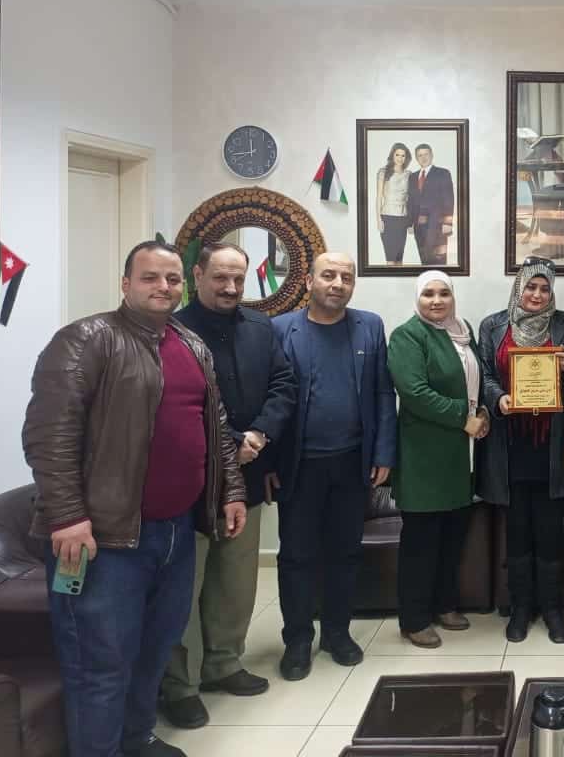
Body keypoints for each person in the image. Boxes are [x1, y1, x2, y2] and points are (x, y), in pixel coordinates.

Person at [22, 239, 247, 757]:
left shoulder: (190, 344)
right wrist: (67, 515)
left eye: (172, 279)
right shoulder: (86, 340)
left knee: (155, 650)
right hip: (103, 541)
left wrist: (231, 489)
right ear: (126, 283)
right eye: (150, 277)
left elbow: (214, 425)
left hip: (175, 532)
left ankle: (137, 738)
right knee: (99, 664)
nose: (162, 287)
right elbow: (48, 436)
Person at [160, 242, 297, 730]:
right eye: (220, 277)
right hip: (193, 482)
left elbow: (284, 385)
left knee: (235, 581)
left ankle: (222, 664)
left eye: (238, 278)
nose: (231, 287)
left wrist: (258, 435)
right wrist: (230, 444)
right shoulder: (172, 331)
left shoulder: (260, 327)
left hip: (250, 473)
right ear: (197, 275)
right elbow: (172, 408)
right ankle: (180, 685)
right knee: (186, 587)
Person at [272, 252, 397, 680]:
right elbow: (270, 397)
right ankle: (297, 639)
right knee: (296, 555)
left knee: (345, 552)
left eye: (346, 277)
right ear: (309, 281)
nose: (338, 283)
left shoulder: (370, 326)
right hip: (299, 464)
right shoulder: (281, 329)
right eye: (328, 275)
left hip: (352, 461)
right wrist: (269, 459)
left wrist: (383, 453)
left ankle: (337, 633)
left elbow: (383, 393)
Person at [477, 257, 564, 644]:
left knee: (550, 531)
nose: (537, 295)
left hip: (550, 447)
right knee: (518, 531)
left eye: (544, 288)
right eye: (530, 287)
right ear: (518, 288)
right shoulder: (493, 325)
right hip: (509, 446)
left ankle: (553, 609)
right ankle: (520, 608)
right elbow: (485, 374)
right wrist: (499, 398)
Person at [388, 271, 489, 648]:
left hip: (460, 456)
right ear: (418, 298)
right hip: (424, 456)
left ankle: (445, 604)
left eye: (443, 293)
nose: (436, 300)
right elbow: (414, 392)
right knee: (421, 542)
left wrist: (482, 413)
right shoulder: (408, 335)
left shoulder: (462, 332)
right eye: (428, 293)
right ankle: (414, 619)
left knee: (451, 537)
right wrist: (464, 417)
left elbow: (475, 382)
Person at [407, 143, 455, 266]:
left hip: (437, 225)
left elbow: (448, 199)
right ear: (416, 158)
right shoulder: (412, 177)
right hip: (419, 227)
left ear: (432, 155)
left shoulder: (442, 173)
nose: (423, 158)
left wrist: (448, 223)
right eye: (420, 155)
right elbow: (410, 201)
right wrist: (410, 223)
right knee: (425, 259)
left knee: (438, 260)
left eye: (426, 154)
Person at [376, 142, 412, 264]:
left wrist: (410, 222)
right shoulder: (383, 172)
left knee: (399, 259)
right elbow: (378, 197)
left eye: (403, 155)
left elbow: (410, 199)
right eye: (397, 155)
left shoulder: (409, 174)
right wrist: (378, 219)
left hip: (403, 218)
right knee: (390, 258)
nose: (400, 158)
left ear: (406, 158)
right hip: (388, 217)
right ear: (392, 155)